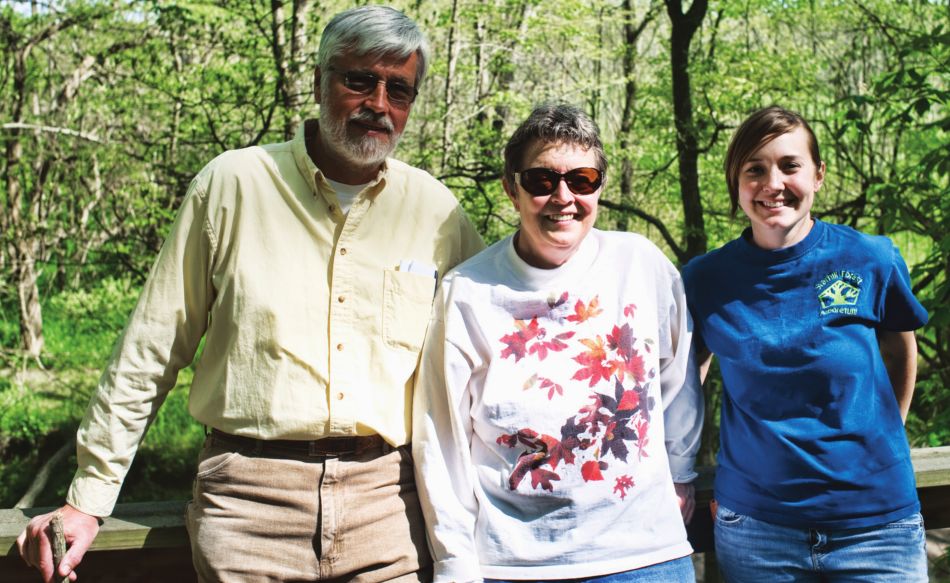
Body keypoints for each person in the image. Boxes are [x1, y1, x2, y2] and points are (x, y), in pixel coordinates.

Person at [17, 5, 485, 582]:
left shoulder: (436, 212)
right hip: (247, 504)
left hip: (387, 507)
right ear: (319, 81)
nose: (379, 104)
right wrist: (88, 498)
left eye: (399, 89)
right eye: (360, 80)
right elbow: (152, 348)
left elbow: (491, 346)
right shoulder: (231, 184)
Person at [412, 103, 704, 583]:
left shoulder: (640, 264)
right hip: (515, 565)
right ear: (512, 189)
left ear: (600, 187)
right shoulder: (467, 292)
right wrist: (454, 563)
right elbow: (442, 439)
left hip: (645, 555)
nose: (563, 197)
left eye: (582, 180)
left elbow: (678, 377)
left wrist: (681, 471)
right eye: (541, 180)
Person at [682, 105, 929, 582]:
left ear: (818, 175)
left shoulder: (870, 258)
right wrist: (680, 466)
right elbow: (683, 380)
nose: (772, 183)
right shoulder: (705, 280)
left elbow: (900, 346)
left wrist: (890, 430)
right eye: (755, 170)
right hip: (757, 531)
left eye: (789, 165)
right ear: (736, 183)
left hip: (879, 526)